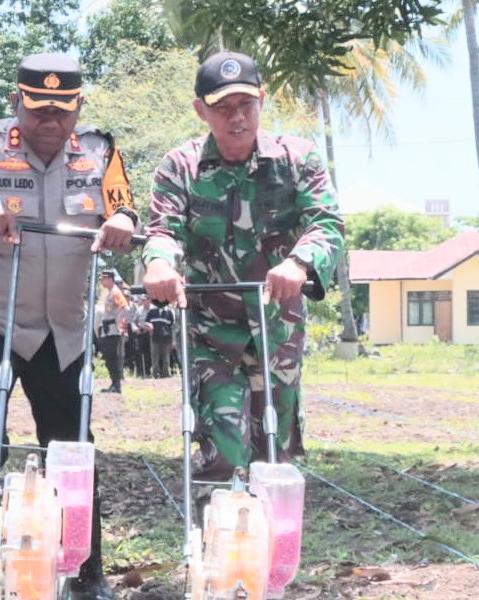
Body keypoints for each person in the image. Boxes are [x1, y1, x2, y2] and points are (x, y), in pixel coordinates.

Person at [0, 53, 137, 600]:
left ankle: (84, 568)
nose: (49, 122)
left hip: (63, 331)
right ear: (17, 101)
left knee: (72, 450)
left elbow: (127, 210)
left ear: (78, 108)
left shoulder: (101, 152)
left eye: (61, 111)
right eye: (38, 109)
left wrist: (122, 222)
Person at [141, 51, 345, 479]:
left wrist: (300, 262)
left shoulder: (298, 159)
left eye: (245, 105)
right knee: (224, 448)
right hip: (210, 330)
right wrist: (159, 263)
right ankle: (219, 539)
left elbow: (326, 222)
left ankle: (272, 542)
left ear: (261, 101)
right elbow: (163, 228)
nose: (237, 118)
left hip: (277, 327)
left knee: (274, 454)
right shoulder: (180, 166)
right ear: (201, 110)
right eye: (222, 107)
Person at [97, 270, 128, 393]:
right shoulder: (110, 293)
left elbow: (125, 308)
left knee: (112, 358)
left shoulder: (115, 292)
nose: (102, 281)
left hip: (113, 330)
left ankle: (116, 385)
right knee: (109, 358)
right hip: (108, 330)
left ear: (110, 279)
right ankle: (114, 383)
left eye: (103, 278)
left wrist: (119, 324)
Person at [145, 299, 176, 379]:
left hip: (166, 338)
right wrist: (148, 325)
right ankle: (155, 374)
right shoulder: (151, 311)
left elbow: (172, 327)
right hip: (155, 337)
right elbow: (146, 322)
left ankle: (165, 374)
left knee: (166, 357)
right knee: (155, 356)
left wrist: (173, 340)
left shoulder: (169, 312)